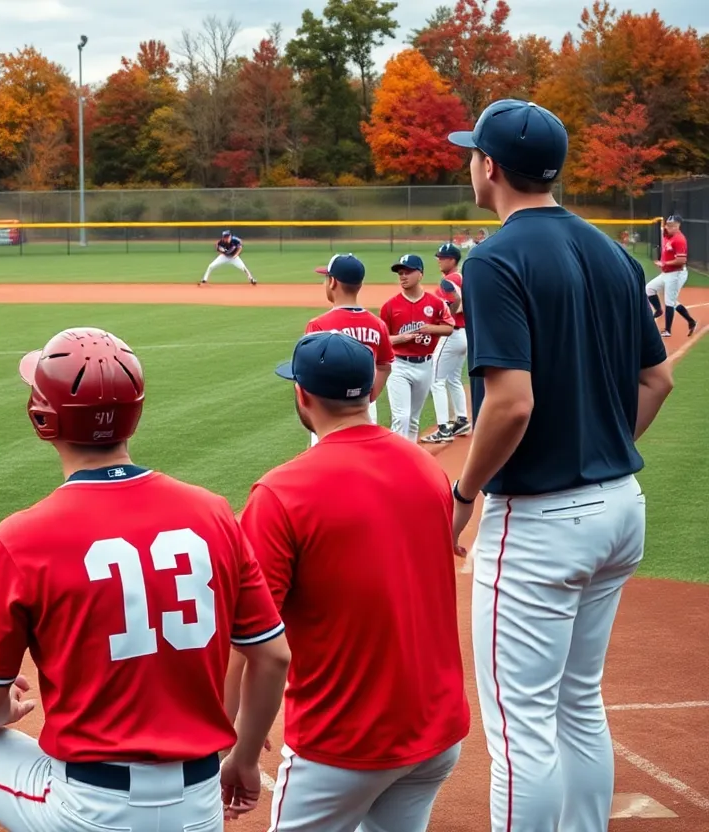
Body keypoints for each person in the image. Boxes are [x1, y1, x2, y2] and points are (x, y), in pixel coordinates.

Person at [0, 327, 290, 832]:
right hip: (199, 807)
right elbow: (273, 655)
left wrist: (5, 707)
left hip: (89, 809)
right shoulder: (214, 512)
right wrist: (241, 757)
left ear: (43, 419)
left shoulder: (22, 537)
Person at [447, 98, 675, 832]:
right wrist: (597, 444)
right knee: (578, 702)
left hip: (543, 521)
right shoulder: (613, 251)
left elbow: (509, 404)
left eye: (471, 153)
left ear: (490, 167)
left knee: (520, 730)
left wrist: (463, 490)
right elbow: (656, 378)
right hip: (620, 506)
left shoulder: (494, 259)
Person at [230, 330, 469, 832]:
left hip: (343, 745)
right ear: (373, 389)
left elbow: (251, 641)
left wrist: (239, 750)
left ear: (303, 395)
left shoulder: (281, 493)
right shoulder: (428, 470)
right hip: (437, 732)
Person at [303, 253, 394, 447]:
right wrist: (369, 397)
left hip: (327, 410)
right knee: (363, 459)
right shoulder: (377, 324)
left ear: (333, 282)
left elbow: (308, 374)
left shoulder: (319, 325)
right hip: (364, 408)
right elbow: (385, 366)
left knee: (326, 465)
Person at [378, 254, 455, 442]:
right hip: (399, 365)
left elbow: (449, 327)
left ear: (420, 274)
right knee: (401, 417)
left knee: (413, 419)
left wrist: (430, 328)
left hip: (425, 365)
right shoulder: (390, 306)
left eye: (407, 272)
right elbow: (382, 339)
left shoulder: (435, 303)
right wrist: (401, 338)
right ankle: (397, 460)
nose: (403, 276)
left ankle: (409, 459)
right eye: (400, 273)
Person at [422, 242, 472, 444]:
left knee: (436, 380)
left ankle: (443, 429)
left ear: (452, 260)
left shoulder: (449, 281)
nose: (439, 261)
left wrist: (445, 318)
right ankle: (462, 420)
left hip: (451, 336)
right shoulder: (462, 278)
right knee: (453, 378)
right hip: (465, 335)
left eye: (442, 258)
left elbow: (456, 304)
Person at [647, 214, 697, 337]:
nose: (669, 227)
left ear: (678, 226)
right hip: (666, 273)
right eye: (668, 224)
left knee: (670, 301)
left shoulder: (679, 239)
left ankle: (667, 330)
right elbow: (664, 234)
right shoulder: (667, 235)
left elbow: (681, 260)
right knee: (649, 289)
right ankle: (659, 311)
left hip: (676, 274)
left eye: (672, 225)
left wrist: (664, 263)